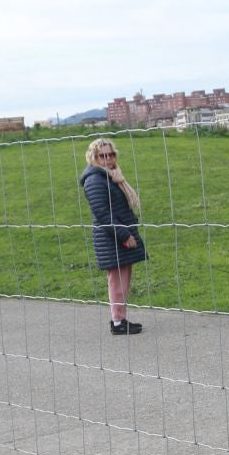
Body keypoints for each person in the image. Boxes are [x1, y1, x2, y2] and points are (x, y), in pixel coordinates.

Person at [81, 138, 147, 336]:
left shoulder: (111, 176)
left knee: (123, 279)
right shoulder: (94, 180)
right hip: (112, 238)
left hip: (117, 236)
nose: (108, 159)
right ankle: (118, 322)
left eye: (111, 154)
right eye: (103, 155)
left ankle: (120, 319)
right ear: (94, 158)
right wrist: (124, 234)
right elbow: (102, 214)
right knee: (117, 280)